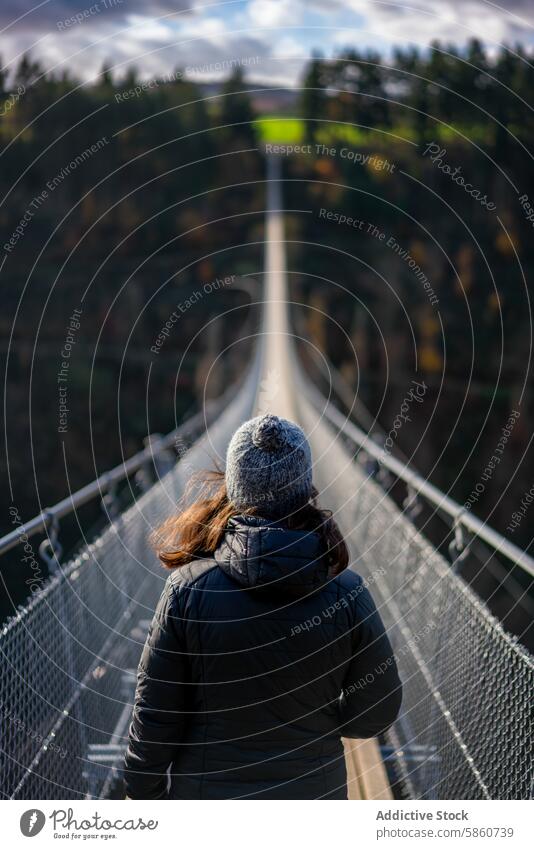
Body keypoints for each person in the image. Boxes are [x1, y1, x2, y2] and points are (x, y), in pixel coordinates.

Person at [124, 413, 402, 799]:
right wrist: (319, 724)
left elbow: (155, 717)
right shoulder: (347, 593)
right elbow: (380, 707)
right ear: (305, 489)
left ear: (236, 490)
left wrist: (142, 798)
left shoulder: (188, 590)